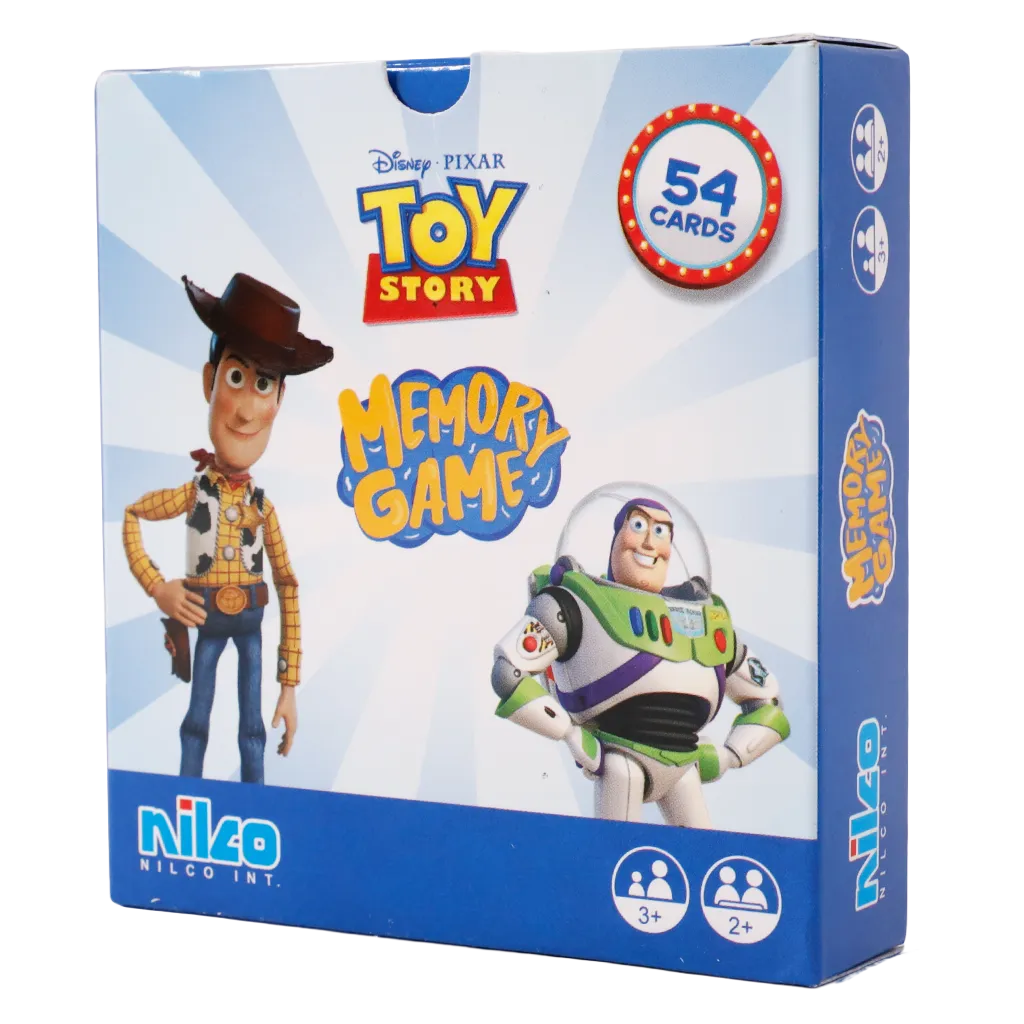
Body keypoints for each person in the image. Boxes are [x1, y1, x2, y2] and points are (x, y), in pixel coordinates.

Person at [122, 272, 333, 783]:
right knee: (196, 720)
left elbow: (287, 583)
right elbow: (133, 515)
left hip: (251, 624)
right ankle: (188, 801)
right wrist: (157, 586)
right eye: (236, 377)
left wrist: (289, 685)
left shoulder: (263, 507)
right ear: (209, 382)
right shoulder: (193, 493)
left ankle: (256, 803)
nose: (245, 410)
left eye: (264, 385)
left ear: (279, 401)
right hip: (207, 620)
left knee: (252, 728)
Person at [490, 493, 791, 827]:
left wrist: (729, 756)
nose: (650, 543)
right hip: (619, 758)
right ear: (617, 536)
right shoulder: (576, 604)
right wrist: (570, 734)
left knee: (701, 852)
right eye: (638, 526)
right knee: (618, 844)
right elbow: (508, 672)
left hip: (685, 766)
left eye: (661, 532)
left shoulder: (708, 622)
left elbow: (768, 703)